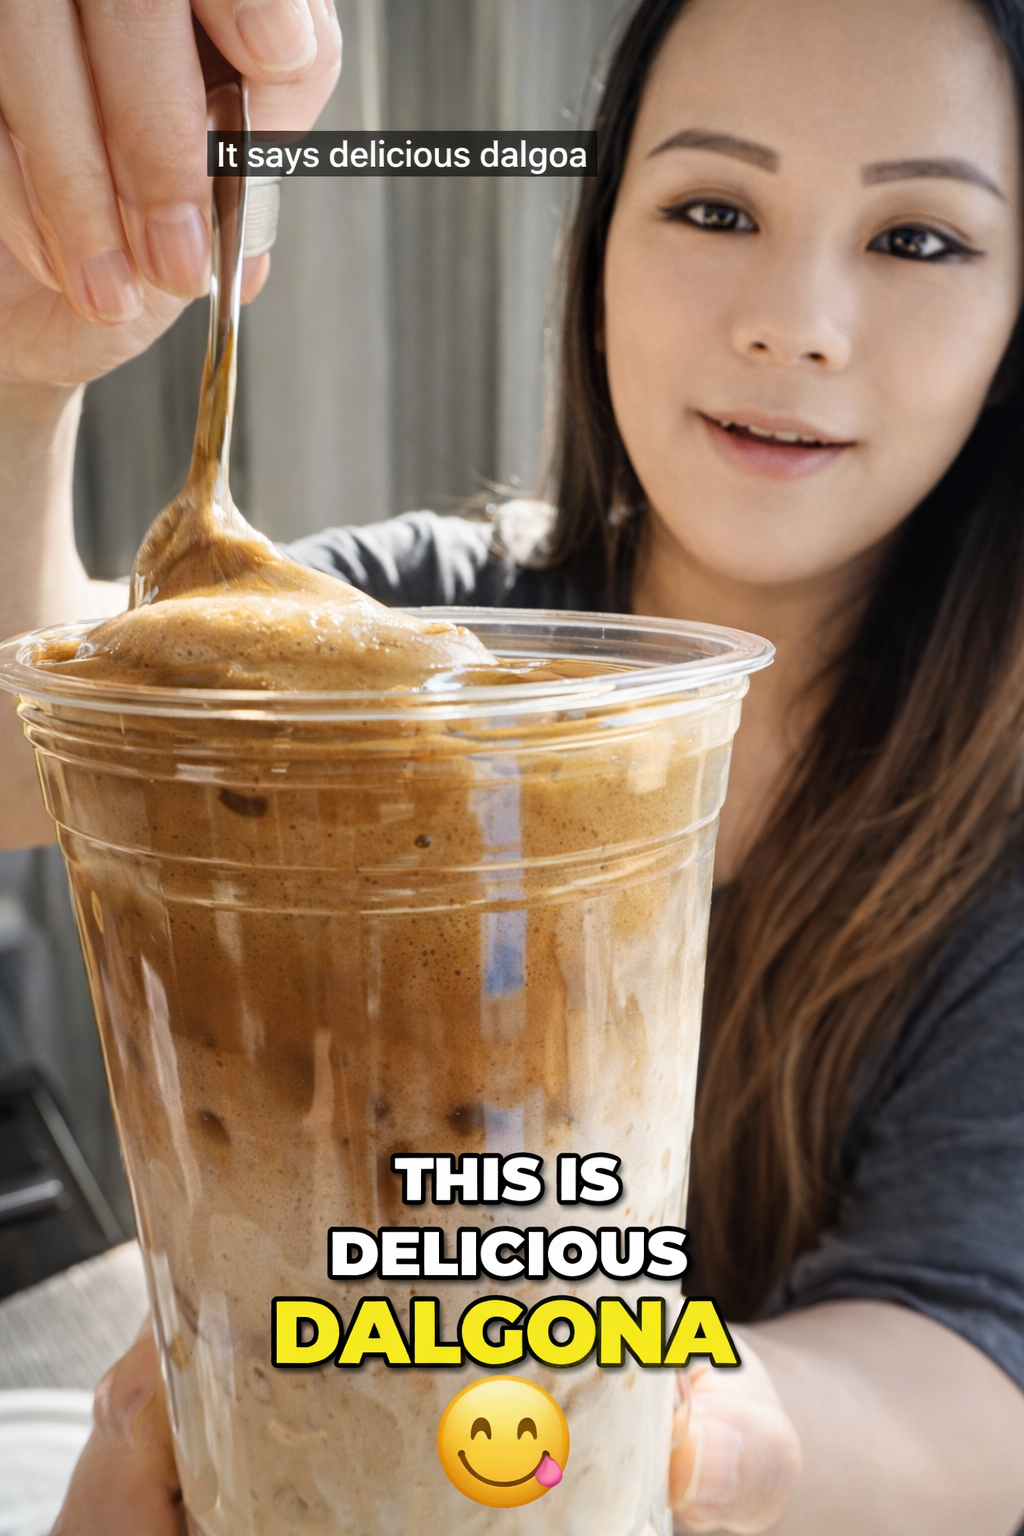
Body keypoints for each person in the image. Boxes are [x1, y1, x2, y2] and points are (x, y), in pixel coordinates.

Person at [2, 0, 1024, 1530]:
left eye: (921, 239)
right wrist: (28, 371)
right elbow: (44, 741)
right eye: (715, 206)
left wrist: (638, 1419)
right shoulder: (398, 636)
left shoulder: (993, 824)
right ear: (597, 250)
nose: (797, 318)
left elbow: (971, 1369)